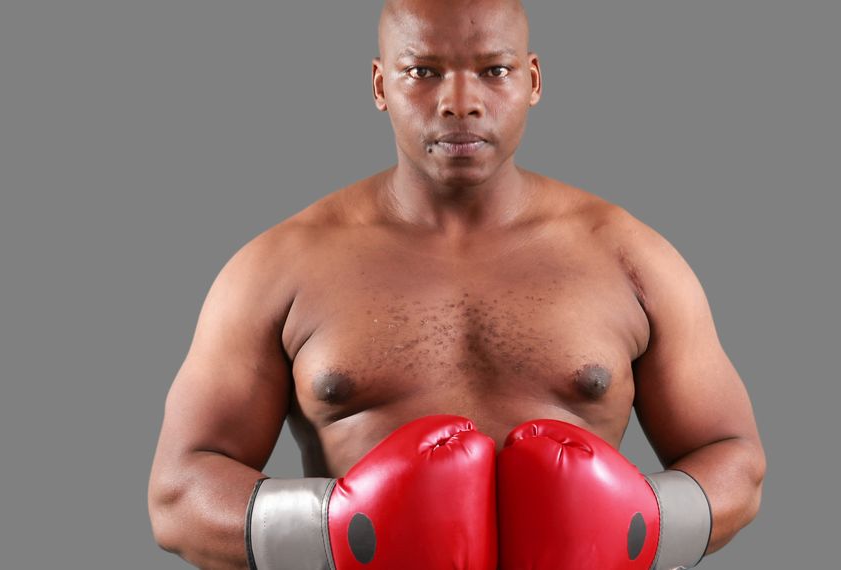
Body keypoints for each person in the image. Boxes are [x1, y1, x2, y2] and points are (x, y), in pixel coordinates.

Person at [148, 0, 765, 568]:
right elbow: (179, 496)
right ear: (380, 84)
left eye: (494, 71)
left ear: (533, 80)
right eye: (423, 72)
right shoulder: (280, 266)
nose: (460, 101)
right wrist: (335, 530)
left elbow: (735, 458)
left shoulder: (630, 257)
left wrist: (642, 524)